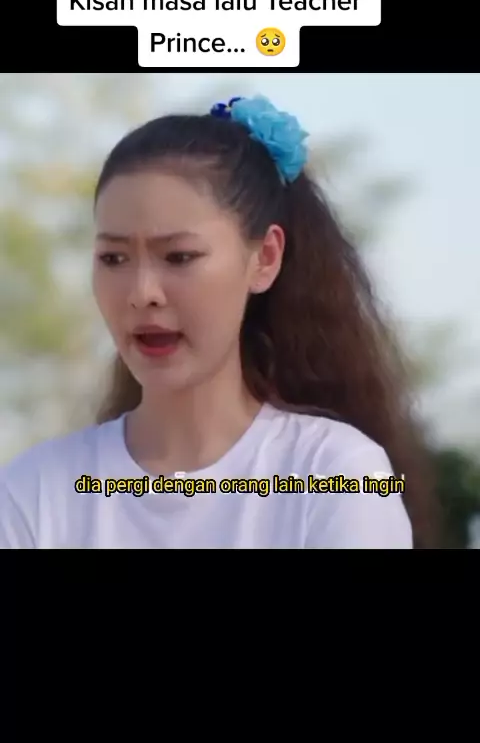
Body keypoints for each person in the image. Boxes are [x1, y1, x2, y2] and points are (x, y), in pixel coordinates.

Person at [0, 95, 437, 549]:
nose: (142, 292)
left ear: (265, 258)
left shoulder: (336, 475)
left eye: (179, 256)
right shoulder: (33, 493)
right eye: (113, 258)